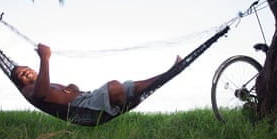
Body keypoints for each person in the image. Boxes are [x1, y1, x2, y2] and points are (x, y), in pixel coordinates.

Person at [11, 43, 182, 118]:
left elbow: (71, 88)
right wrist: (45, 59)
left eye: (26, 69)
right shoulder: (28, 90)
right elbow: (39, 95)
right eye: (22, 75)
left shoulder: (47, 82)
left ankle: (170, 73)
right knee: (115, 86)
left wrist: (71, 87)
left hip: (87, 97)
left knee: (132, 86)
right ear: (21, 83)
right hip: (83, 109)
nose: (26, 73)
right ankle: (119, 106)